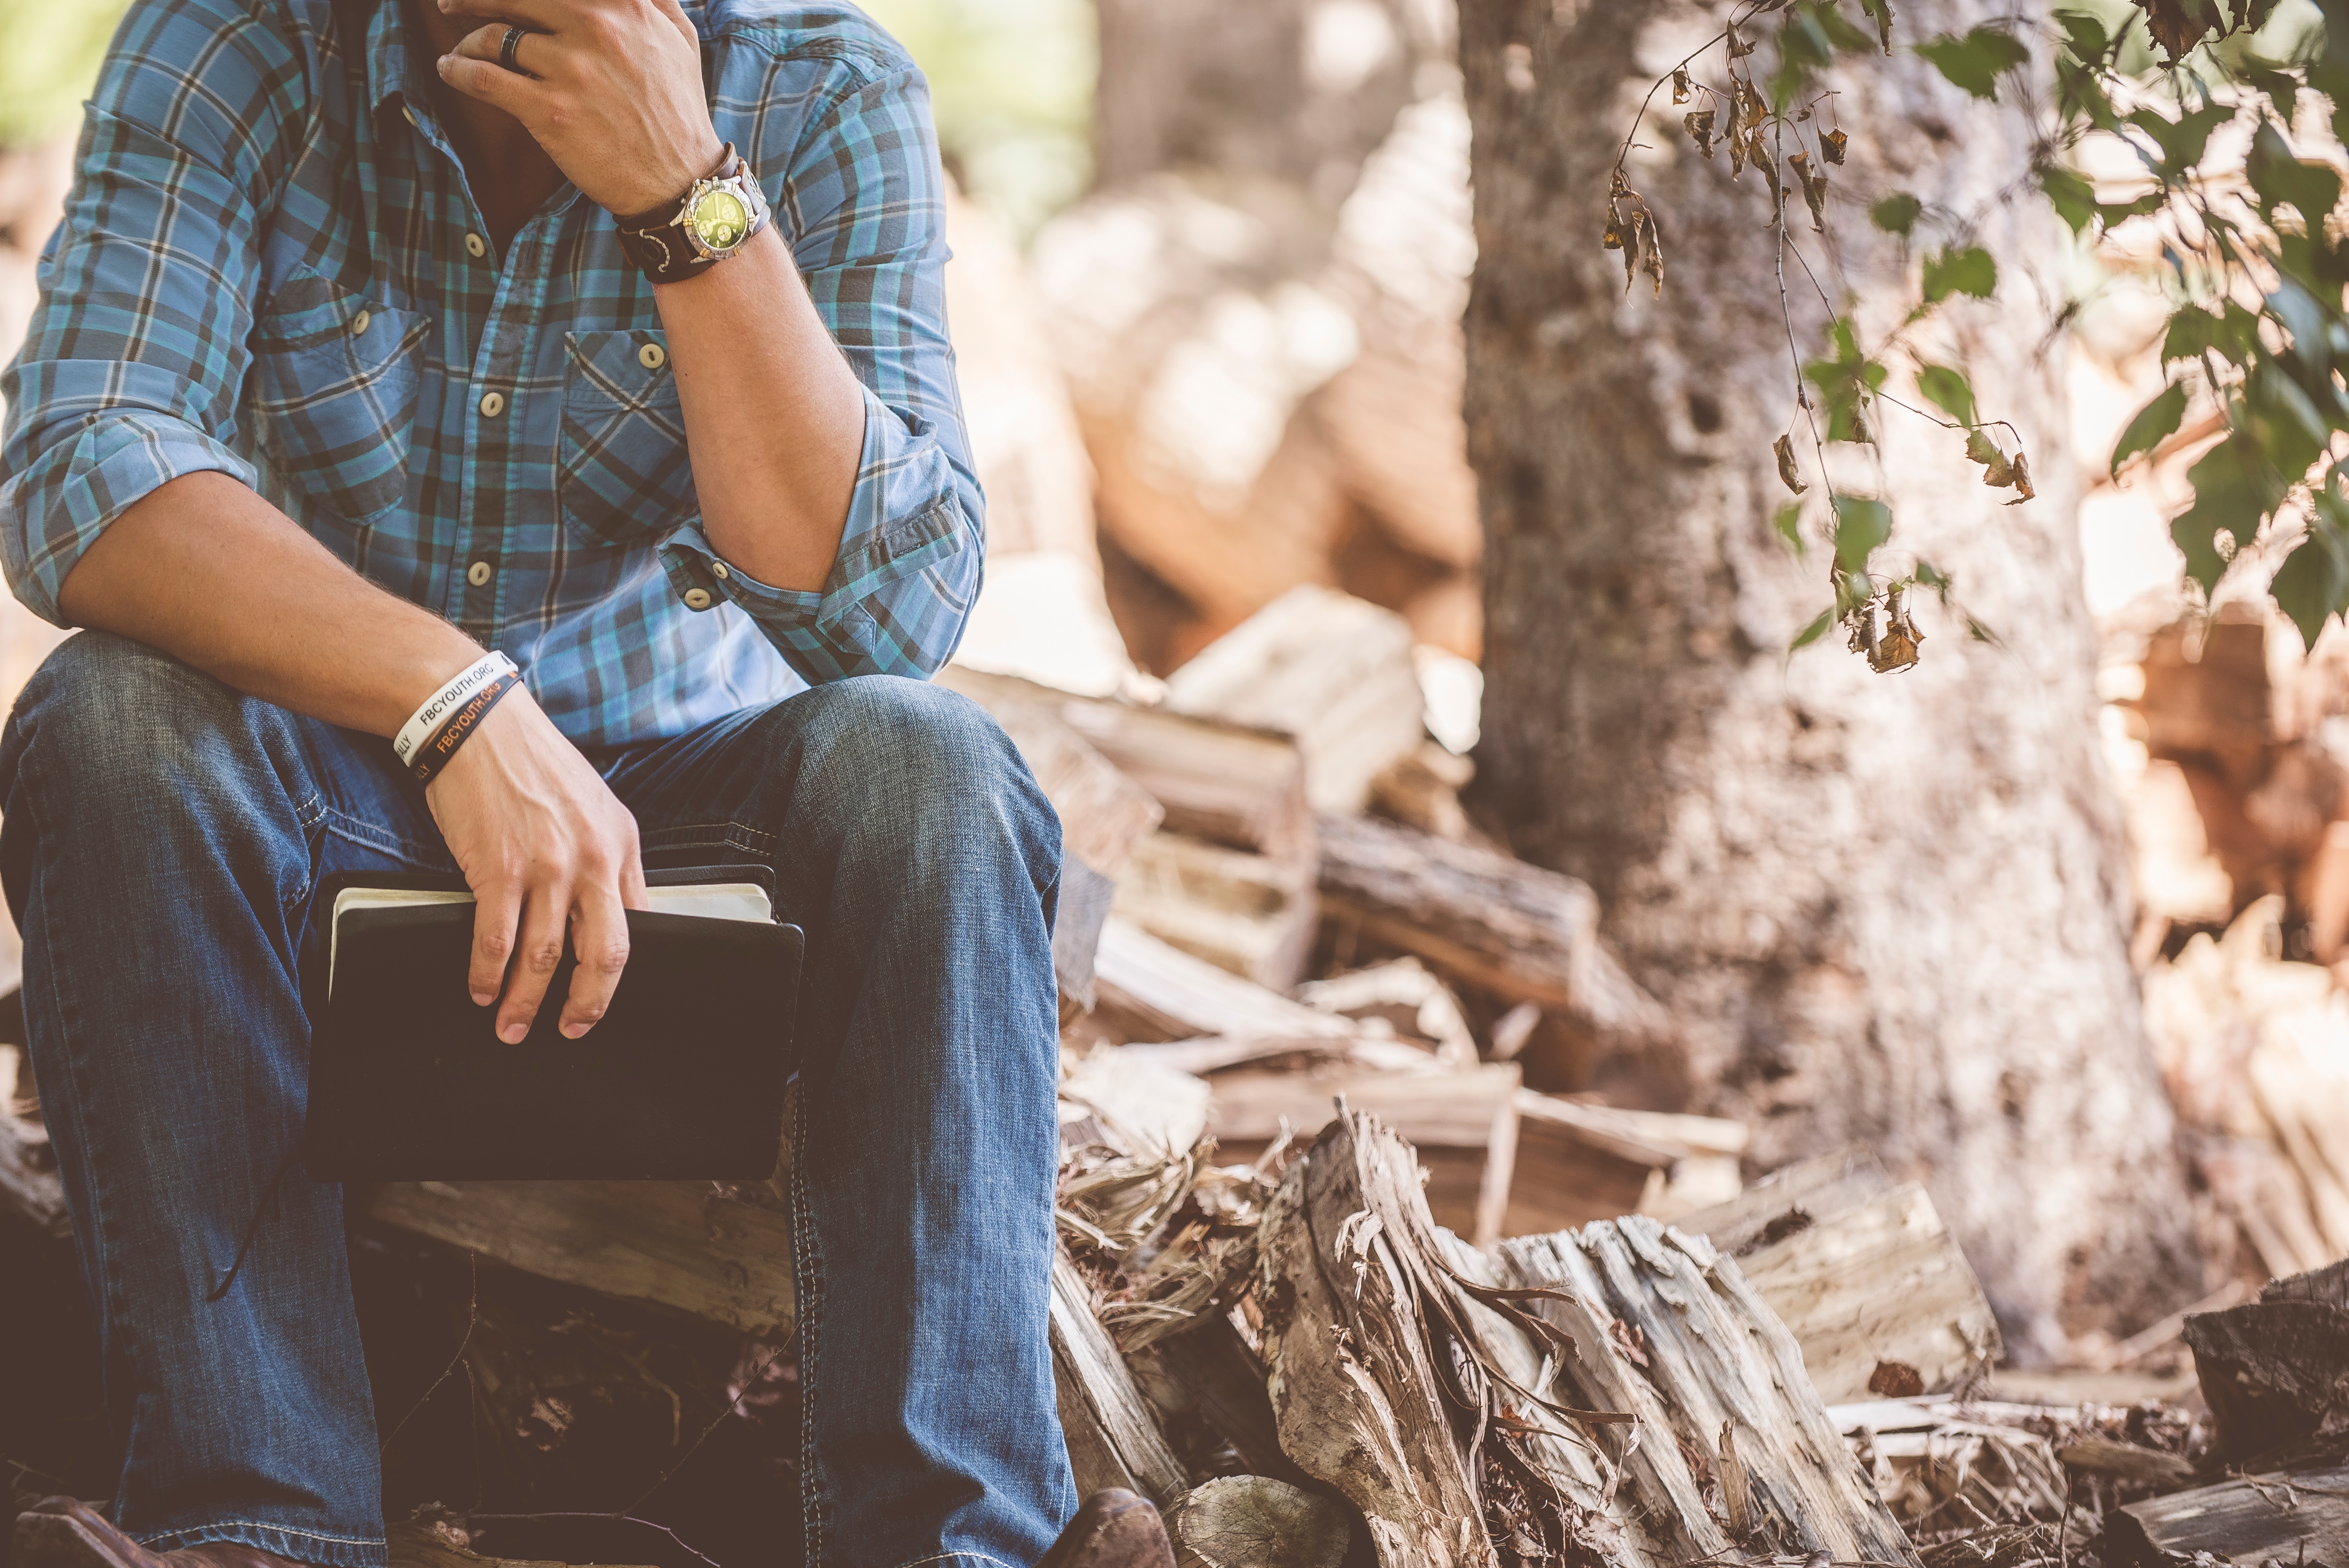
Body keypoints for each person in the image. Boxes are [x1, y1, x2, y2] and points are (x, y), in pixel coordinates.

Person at [0, 0, 1172, 1564]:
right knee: (111, 718)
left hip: (684, 841)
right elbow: (81, 465)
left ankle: (950, 1541)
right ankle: (256, 1523)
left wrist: (688, 198)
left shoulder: (825, 86)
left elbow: (890, 614)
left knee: (933, 769)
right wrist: (450, 697)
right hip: (313, 811)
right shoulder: (234, 45)